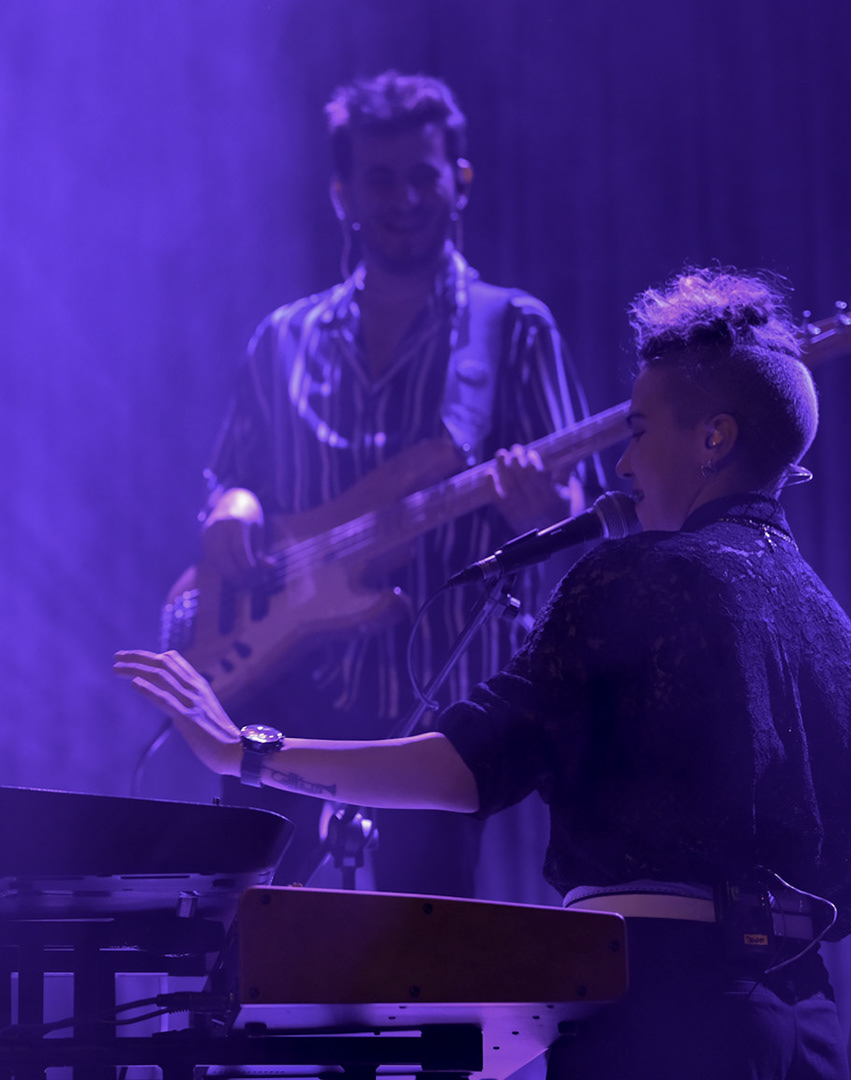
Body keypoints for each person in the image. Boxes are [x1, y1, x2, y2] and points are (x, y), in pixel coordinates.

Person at [121, 269, 851, 1078]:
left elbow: (466, 767)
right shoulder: (842, 639)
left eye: (639, 431)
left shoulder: (641, 573)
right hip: (810, 1028)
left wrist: (245, 752)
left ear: (714, 439)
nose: (623, 466)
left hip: (661, 1013)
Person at [195, 71, 593, 896]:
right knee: (254, 940)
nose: (404, 198)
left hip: (441, 704)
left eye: (423, 176)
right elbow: (233, 475)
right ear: (342, 193)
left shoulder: (513, 328)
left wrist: (546, 509)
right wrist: (230, 506)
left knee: (425, 953)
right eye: (381, 179)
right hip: (286, 693)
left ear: (461, 181)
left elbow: (575, 513)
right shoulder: (282, 339)